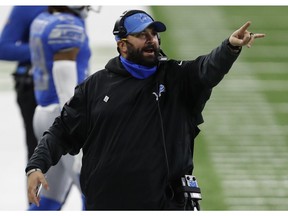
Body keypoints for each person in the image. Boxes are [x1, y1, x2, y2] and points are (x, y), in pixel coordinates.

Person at [26, 9, 265, 210]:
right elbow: (61, 131)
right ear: (122, 45)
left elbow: (207, 68)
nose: (152, 39)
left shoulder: (178, 78)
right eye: (141, 35)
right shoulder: (95, 87)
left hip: (166, 204)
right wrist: (37, 165)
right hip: (107, 204)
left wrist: (230, 48)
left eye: (154, 34)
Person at [27, 6, 91, 210]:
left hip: (44, 111)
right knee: (93, 195)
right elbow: (64, 77)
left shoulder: (43, 20)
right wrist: (76, 127)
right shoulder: (67, 25)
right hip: (63, 116)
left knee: (48, 199)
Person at [0, 6, 47, 161]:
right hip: (33, 88)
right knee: (38, 152)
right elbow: (3, 48)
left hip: (71, 88)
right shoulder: (26, 6)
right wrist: (47, 48)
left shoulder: (76, 8)